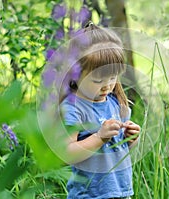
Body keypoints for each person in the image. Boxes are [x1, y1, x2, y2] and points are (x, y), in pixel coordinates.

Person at [60, 22, 141, 199]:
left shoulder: (115, 104)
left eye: (112, 78)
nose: (106, 86)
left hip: (120, 191)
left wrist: (130, 139)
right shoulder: (73, 108)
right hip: (89, 194)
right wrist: (99, 137)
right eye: (97, 80)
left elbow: (117, 149)